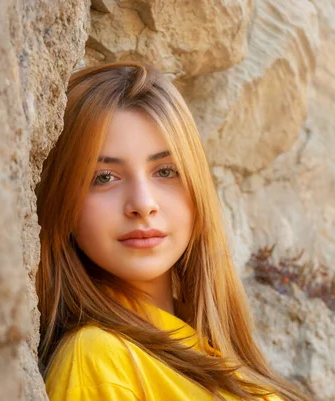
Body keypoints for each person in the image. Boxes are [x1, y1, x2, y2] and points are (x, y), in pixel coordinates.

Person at [35, 61, 310, 401]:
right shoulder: (97, 360)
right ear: (64, 201)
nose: (143, 203)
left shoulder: (220, 357)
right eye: (103, 177)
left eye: (165, 171)